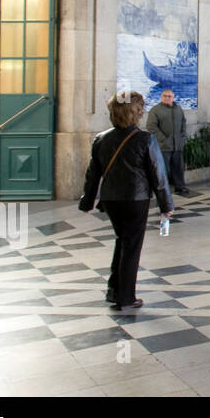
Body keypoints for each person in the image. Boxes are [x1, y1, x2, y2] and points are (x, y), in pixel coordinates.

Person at [79, 91, 173, 311]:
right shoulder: (144, 139)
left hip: (111, 200)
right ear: (137, 112)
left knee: (122, 241)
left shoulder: (101, 139)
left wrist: (87, 200)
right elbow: (157, 175)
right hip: (135, 199)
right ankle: (126, 297)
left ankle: (114, 291)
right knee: (131, 246)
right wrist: (166, 205)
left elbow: (93, 174)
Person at [145, 88, 191, 196]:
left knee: (178, 168)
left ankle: (180, 187)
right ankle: (162, 190)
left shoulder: (178, 109)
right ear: (161, 97)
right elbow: (151, 126)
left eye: (169, 96)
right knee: (162, 170)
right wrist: (162, 139)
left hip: (177, 146)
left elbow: (183, 122)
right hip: (163, 146)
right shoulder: (155, 110)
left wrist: (182, 136)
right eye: (164, 96)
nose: (167, 98)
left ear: (173, 98)